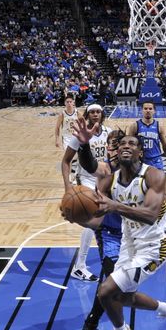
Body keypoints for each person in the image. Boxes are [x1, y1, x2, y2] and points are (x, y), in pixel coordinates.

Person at [70, 118, 166, 330]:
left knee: (105, 291)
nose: (125, 146)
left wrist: (115, 206)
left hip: (154, 247)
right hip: (128, 243)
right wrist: (76, 216)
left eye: (132, 144)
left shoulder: (153, 176)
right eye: (122, 143)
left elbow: (150, 215)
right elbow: (97, 216)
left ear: (140, 152)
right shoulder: (110, 180)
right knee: (119, 297)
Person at [61, 104, 111, 281]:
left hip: (104, 178)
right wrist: (68, 187)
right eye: (92, 112)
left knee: (106, 220)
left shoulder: (109, 132)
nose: (95, 114)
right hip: (86, 180)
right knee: (92, 218)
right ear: (87, 114)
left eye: (98, 111)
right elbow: (66, 161)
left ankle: (112, 253)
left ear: (102, 114)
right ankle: (79, 265)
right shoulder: (79, 136)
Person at [127, 101, 166, 173]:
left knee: (158, 183)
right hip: (141, 160)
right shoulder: (135, 126)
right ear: (142, 110)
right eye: (145, 108)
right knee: (140, 183)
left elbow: (165, 145)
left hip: (156, 160)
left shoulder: (159, 126)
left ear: (154, 111)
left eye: (150, 109)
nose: (148, 111)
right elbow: (128, 145)